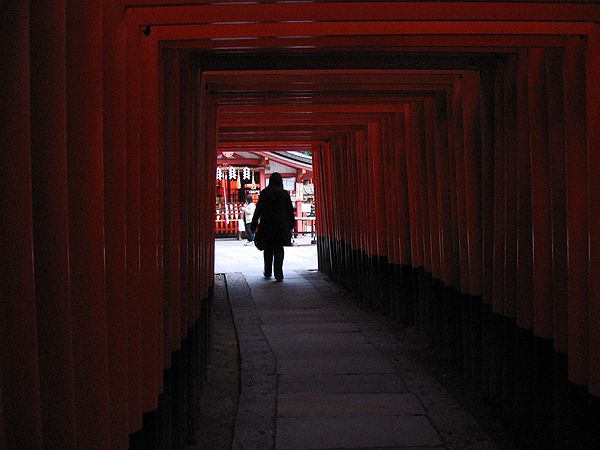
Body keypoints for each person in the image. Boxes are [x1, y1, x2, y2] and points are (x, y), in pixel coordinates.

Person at [251, 172, 295, 281]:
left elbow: (258, 210)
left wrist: (254, 224)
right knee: (279, 249)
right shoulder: (284, 194)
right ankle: (278, 274)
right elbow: (290, 211)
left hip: (267, 225)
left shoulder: (265, 193)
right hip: (280, 226)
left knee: (268, 249)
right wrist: (290, 225)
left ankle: (267, 271)